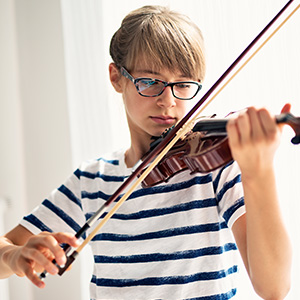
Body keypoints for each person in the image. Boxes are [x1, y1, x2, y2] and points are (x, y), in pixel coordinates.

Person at [0, 5, 292, 300]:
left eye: (183, 84)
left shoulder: (215, 169)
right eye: (150, 82)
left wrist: (259, 172)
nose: (168, 101)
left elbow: (273, 287)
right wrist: (14, 257)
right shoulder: (91, 181)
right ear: (116, 77)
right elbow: (5, 246)